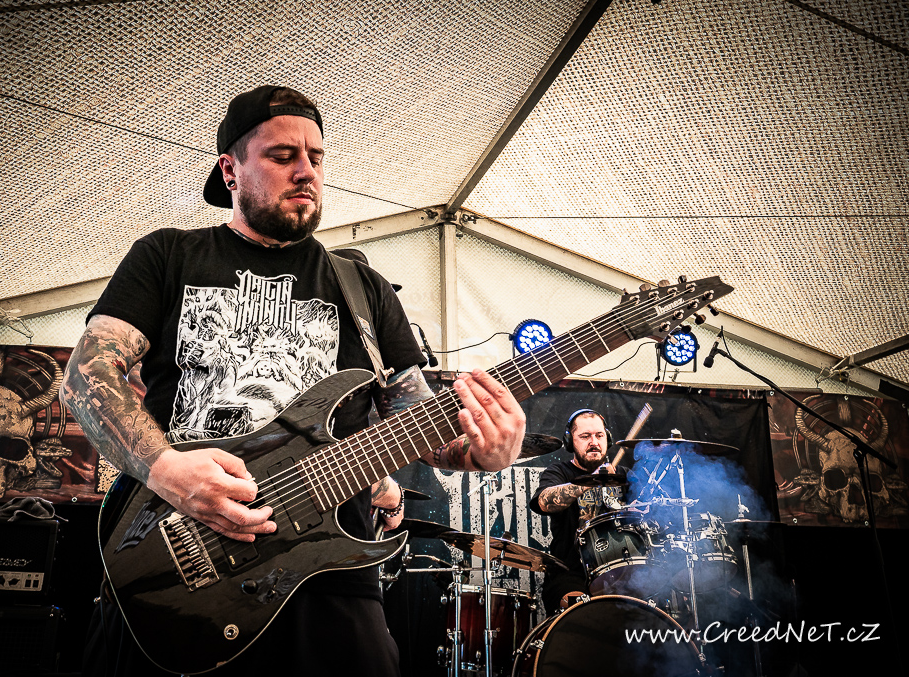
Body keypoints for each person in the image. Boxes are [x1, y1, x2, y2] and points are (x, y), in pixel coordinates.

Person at [60, 84, 526, 677]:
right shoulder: (168, 256)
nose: (306, 171)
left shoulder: (363, 288)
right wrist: (166, 470)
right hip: (175, 559)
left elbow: (420, 425)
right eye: (282, 156)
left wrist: (481, 452)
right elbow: (88, 375)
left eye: (316, 157)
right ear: (230, 171)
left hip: (329, 573)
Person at [528, 408, 626, 615]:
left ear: (607, 439)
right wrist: (591, 481)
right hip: (570, 572)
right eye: (585, 436)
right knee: (579, 614)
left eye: (599, 435)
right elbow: (544, 502)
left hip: (621, 570)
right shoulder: (559, 472)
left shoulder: (623, 475)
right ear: (570, 442)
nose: (594, 442)